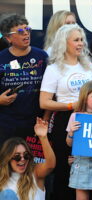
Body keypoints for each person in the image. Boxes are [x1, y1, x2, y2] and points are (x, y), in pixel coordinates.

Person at [40, 24, 92, 200]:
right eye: (76, 40)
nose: (80, 44)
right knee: (66, 170)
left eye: (82, 40)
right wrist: (70, 106)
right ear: (64, 43)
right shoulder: (54, 68)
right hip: (65, 121)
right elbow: (44, 102)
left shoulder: (89, 67)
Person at [0, 14, 48, 147]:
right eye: (21, 31)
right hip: (6, 125)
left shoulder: (42, 56)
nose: (26, 34)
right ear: (8, 37)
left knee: (32, 164)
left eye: (28, 29)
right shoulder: (1, 58)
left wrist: (46, 119)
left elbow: (50, 90)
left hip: (35, 124)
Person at [66, 81, 92, 200]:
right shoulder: (75, 116)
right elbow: (69, 144)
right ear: (85, 98)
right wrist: (71, 133)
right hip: (80, 162)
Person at [0, 117, 55, 200]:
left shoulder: (35, 173)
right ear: (8, 158)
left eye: (26, 155)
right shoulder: (1, 178)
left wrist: (43, 137)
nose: (23, 159)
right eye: (17, 156)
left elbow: (50, 165)